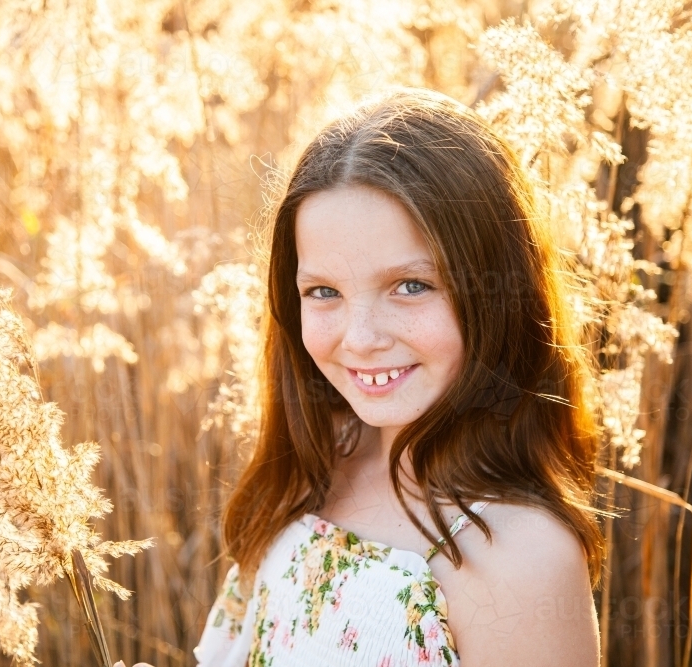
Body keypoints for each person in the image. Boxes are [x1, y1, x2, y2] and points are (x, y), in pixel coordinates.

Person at [185, 88, 606, 667]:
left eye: (410, 285)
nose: (359, 338)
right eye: (324, 292)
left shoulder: (520, 558)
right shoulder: (319, 462)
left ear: (496, 291)